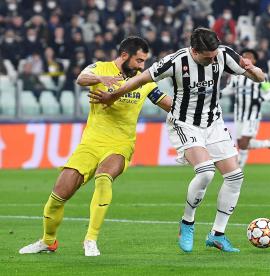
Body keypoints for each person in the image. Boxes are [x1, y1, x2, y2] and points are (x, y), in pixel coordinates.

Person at [89, 27, 266, 252]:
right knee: (206, 172)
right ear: (194, 50)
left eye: (214, 56)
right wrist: (113, 95)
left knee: (235, 177)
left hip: (214, 123)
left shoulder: (223, 54)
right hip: (185, 123)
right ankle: (187, 223)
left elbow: (260, 78)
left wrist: (253, 69)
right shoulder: (175, 61)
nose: (212, 60)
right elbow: (141, 79)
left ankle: (217, 234)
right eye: (207, 57)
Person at [19, 36, 172, 256]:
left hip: (120, 144)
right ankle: (47, 241)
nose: (142, 66)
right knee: (58, 195)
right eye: (138, 60)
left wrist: (190, 111)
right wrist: (103, 78)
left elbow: (166, 103)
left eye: (144, 61)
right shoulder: (101, 68)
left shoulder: (145, 80)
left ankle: (90, 239)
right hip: (90, 143)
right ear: (124, 56)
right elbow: (81, 78)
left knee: (103, 177)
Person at [222, 48, 270, 168]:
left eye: (250, 56)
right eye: (244, 55)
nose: (247, 58)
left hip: (253, 114)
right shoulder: (235, 75)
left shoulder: (260, 75)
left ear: (254, 60)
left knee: (244, 142)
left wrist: (261, 99)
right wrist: (219, 93)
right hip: (239, 114)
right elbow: (230, 89)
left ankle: (238, 169)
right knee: (242, 143)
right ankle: (269, 143)